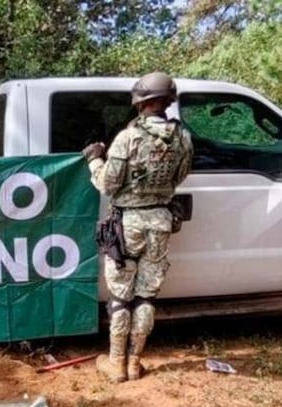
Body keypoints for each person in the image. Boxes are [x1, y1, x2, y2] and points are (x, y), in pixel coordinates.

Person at [82, 72, 193, 382]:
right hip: (160, 221)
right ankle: (134, 362)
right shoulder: (183, 137)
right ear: (168, 101)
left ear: (140, 102)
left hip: (128, 223)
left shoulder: (128, 138)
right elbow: (179, 176)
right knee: (145, 297)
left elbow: (107, 184)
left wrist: (93, 158)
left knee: (120, 296)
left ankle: (116, 364)